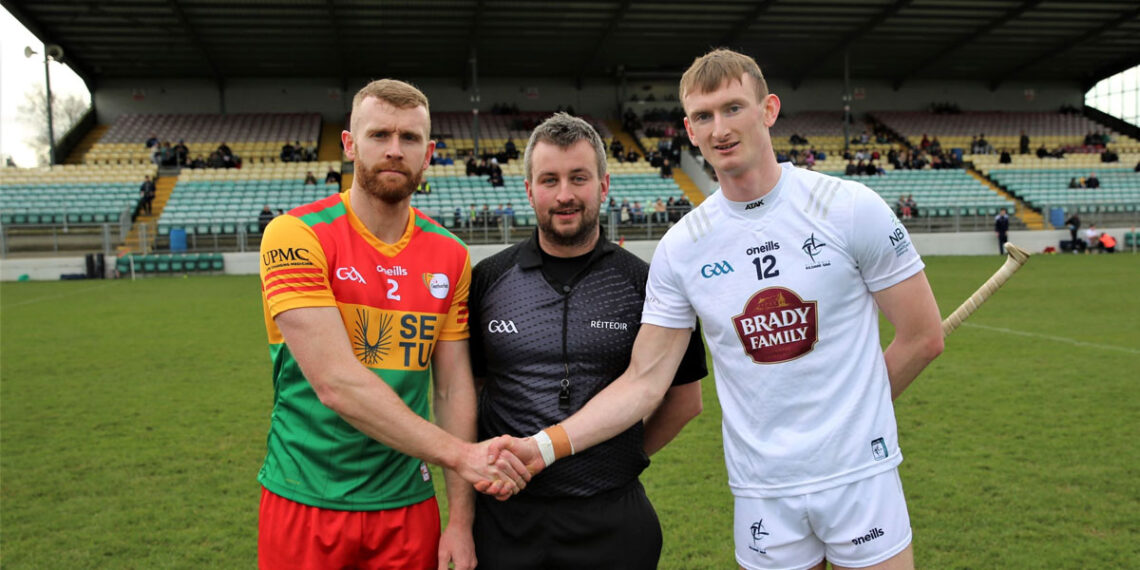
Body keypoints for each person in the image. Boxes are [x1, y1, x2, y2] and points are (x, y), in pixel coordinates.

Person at [483, 49, 944, 570]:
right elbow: (644, 382)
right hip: (761, 490)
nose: (719, 128)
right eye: (703, 116)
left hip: (860, 476)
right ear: (689, 130)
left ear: (768, 110)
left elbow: (923, 335)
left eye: (732, 108)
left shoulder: (849, 207)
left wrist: (856, 418)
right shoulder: (684, 246)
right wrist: (542, 447)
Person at [256, 79, 528, 570]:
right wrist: (462, 456)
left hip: (406, 505)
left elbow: (451, 390)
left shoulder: (450, 256)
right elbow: (337, 383)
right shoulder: (296, 235)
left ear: (429, 154)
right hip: (304, 499)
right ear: (349, 144)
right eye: (379, 135)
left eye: (410, 139)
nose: (394, 150)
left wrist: (461, 522)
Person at [467, 113, 707, 569]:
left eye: (578, 178)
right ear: (528, 190)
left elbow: (685, 400)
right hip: (506, 521)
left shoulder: (645, 283)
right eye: (549, 180)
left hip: (612, 520)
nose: (564, 195)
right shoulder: (488, 280)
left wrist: (619, 456)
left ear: (603, 184)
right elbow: (470, 391)